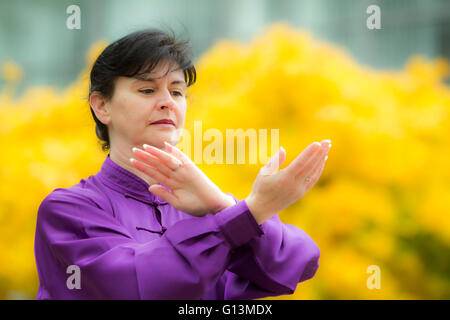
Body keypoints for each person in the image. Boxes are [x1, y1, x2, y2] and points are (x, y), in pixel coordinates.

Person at [34, 28, 331, 300]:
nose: (168, 102)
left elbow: (297, 264)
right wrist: (249, 213)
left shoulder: (204, 203)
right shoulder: (67, 210)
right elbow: (136, 286)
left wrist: (223, 205)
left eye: (177, 91)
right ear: (102, 106)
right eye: (147, 90)